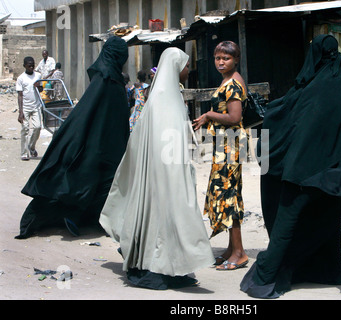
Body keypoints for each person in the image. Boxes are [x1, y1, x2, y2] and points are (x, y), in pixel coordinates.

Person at [240, 35, 341, 299]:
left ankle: (280, 275)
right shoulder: (338, 87)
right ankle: (321, 270)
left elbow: (279, 118)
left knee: (291, 225)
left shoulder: (304, 90)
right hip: (328, 175)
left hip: (298, 174)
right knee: (329, 221)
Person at [99, 47, 214, 290]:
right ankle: (156, 268)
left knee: (168, 221)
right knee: (166, 220)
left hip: (167, 172)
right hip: (164, 176)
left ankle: (172, 267)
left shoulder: (167, 96)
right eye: (185, 65)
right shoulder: (164, 100)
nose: (187, 70)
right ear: (175, 67)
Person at [15, 36, 130, 239]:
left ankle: (93, 219)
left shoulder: (109, 78)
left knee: (103, 181)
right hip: (100, 145)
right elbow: (90, 114)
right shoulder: (106, 80)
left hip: (106, 145)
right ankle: (76, 216)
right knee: (95, 180)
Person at [193, 41, 248, 271]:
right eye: (217, 58)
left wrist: (208, 115)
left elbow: (234, 117)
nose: (220, 62)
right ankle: (230, 249)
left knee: (228, 196)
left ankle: (240, 253)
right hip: (225, 145)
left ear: (236, 60)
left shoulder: (233, 83)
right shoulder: (227, 80)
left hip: (231, 146)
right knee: (227, 195)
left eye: (226, 58)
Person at [16, 56, 43, 161]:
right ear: (24, 66)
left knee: (37, 127)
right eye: (29, 65)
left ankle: (31, 147)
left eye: (33, 64)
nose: (31, 67)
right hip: (25, 108)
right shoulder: (21, 78)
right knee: (25, 129)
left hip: (36, 106)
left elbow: (41, 89)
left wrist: (38, 86)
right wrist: (20, 112)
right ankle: (24, 153)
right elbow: (20, 95)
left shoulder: (38, 75)